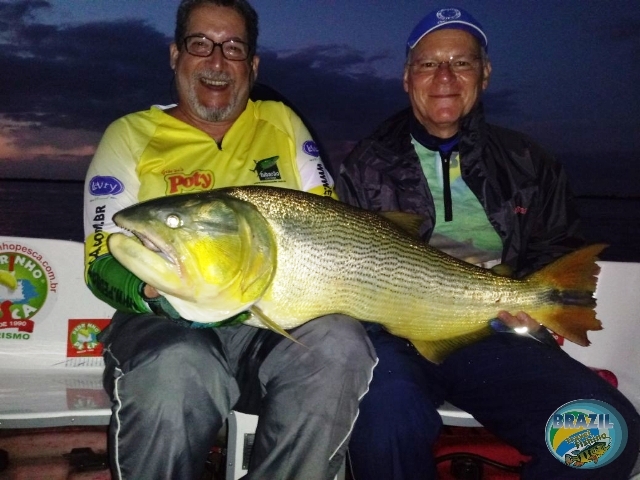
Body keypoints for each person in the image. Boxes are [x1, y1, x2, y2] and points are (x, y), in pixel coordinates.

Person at [337, 7, 640, 480]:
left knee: (605, 434)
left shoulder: (527, 160)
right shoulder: (364, 166)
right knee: (383, 422)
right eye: (428, 63)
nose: (444, 76)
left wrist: (531, 305)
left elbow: (556, 249)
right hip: (392, 342)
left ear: (485, 73)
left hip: (491, 335)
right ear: (406, 78)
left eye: (461, 62)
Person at [83, 1, 376, 478]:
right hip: (166, 323)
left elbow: (330, 223)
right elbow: (102, 259)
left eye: (233, 48)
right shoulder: (130, 135)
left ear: (252, 65)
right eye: (201, 44)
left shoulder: (280, 123)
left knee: (340, 342)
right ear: (175, 54)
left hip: (267, 324)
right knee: (178, 364)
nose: (217, 62)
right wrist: (152, 290)